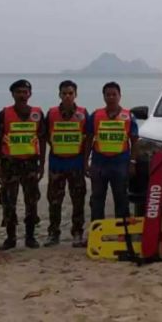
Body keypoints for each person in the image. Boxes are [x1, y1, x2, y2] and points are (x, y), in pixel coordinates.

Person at [0, 79, 46, 250]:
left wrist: (42, 163)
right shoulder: (4, 114)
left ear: (30, 94)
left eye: (25, 92)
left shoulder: (37, 113)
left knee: (32, 201)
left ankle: (30, 237)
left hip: (30, 163)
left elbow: (43, 139)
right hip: (10, 164)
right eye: (18, 92)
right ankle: (10, 238)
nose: (22, 95)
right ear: (13, 94)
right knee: (9, 202)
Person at [44, 80, 91, 248]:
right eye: (64, 93)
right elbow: (45, 136)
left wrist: (85, 162)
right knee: (54, 201)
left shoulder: (83, 113)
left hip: (76, 164)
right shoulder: (51, 113)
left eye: (70, 93)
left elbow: (89, 139)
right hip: (57, 164)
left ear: (75, 94)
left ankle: (77, 233)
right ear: (59, 95)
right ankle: (53, 233)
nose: (67, 96)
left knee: (78, 200)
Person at [88, 82, 138, 221]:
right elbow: (89, 140)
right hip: (99, 163)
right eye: (108, 95)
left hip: (120, 163)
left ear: (120, 96)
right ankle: (97, 230)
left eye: (114, 94)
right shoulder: (96, 115)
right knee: (97, 199)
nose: (111, 97)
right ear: (103, 96)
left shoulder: (128, 116)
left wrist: (133, 162)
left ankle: (123, 232)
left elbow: (134, 141)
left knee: (121, 198)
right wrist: (86, 162)